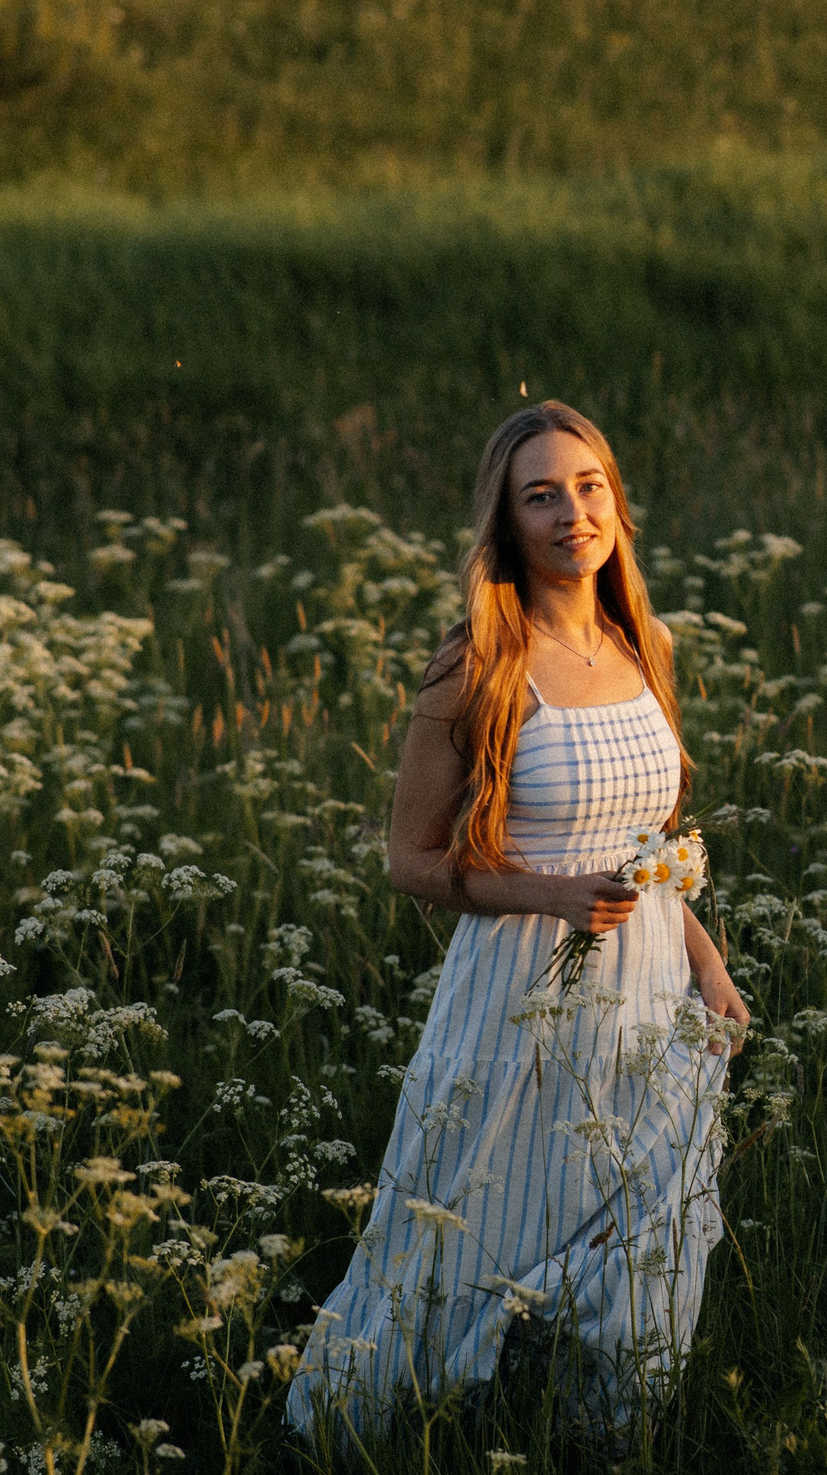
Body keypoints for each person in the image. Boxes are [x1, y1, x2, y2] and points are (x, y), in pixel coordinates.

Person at [286, 401, 752, 1444]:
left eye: (587, 488)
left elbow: (654, 847)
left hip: (646, 996)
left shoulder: (643, 646)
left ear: (616, 506)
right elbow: (409, 860)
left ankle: (594, 1427)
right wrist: (547, 892)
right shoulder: (479, 665)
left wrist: (709, 969)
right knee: (482, 1218)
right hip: (520, 996)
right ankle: (403, 1423)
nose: (570, 512)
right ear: (506, 523)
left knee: (641, 1223)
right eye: (540, 495)